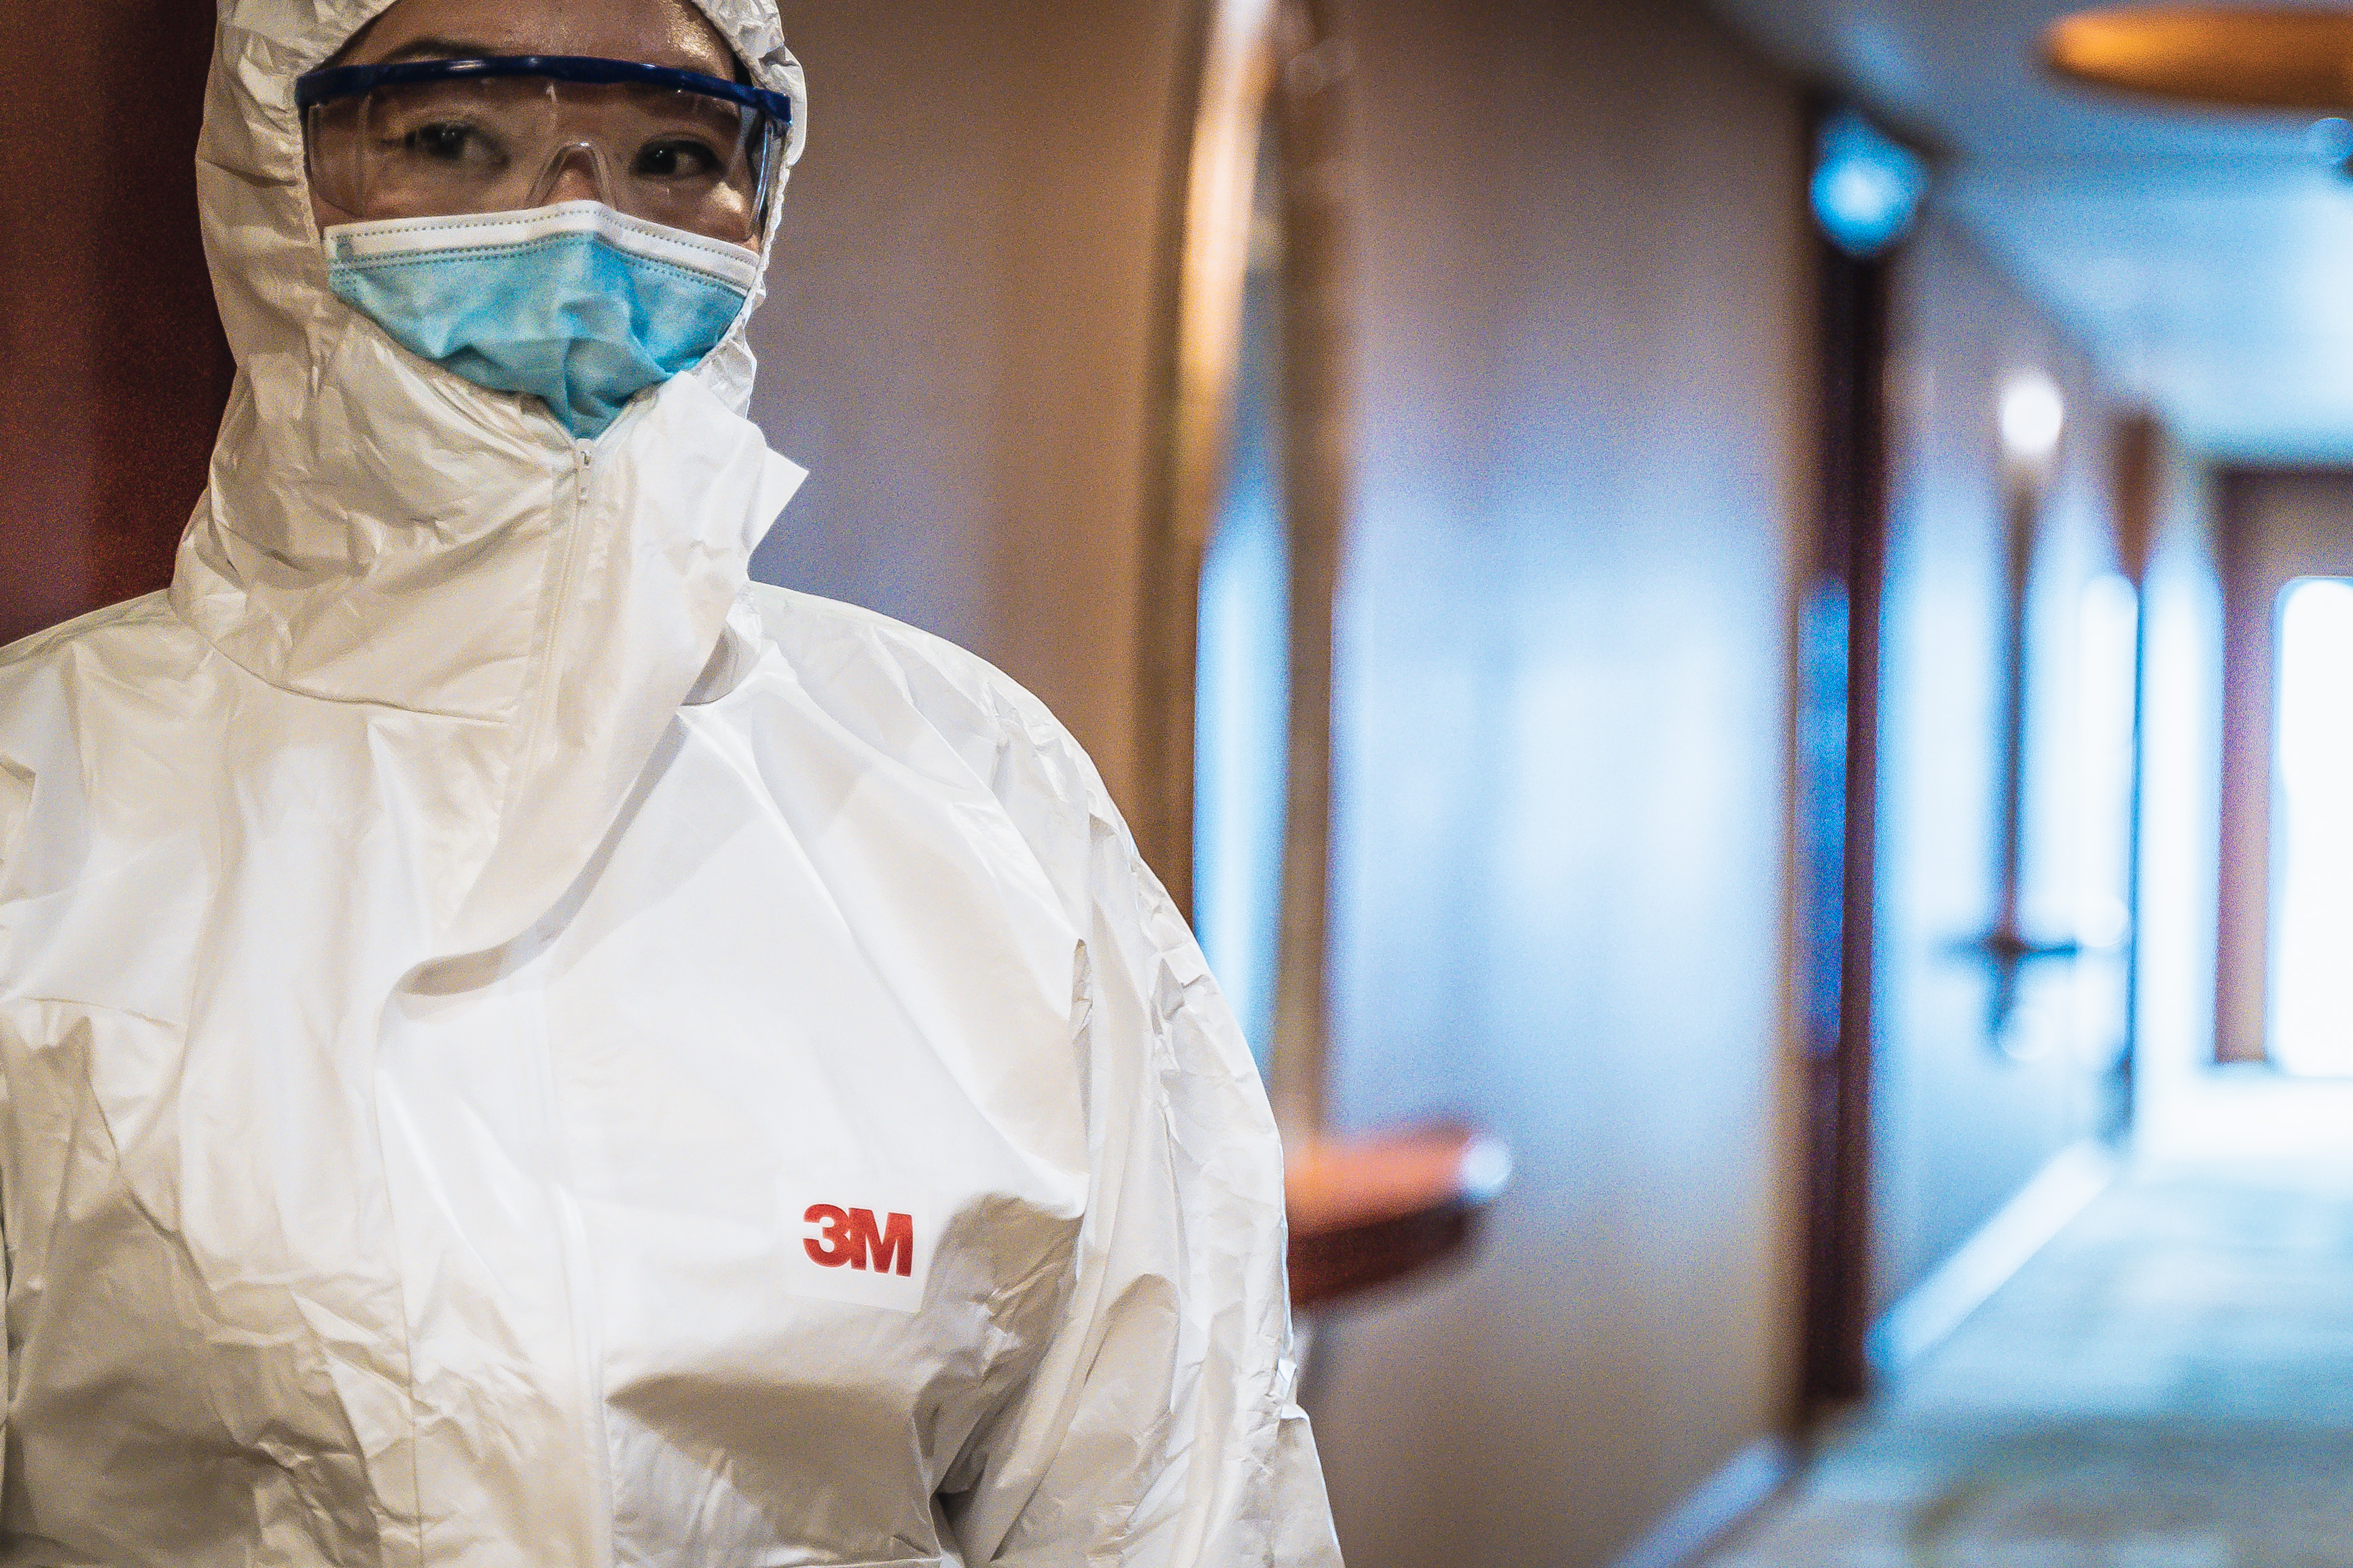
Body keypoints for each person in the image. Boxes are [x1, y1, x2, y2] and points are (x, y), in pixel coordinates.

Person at [0, 0, 1341, 1561]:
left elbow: (1172, 1496)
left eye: (672, 153)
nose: (579, 220)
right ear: (267, 160)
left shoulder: (974, 795)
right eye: (453, 136)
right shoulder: (39, 795)